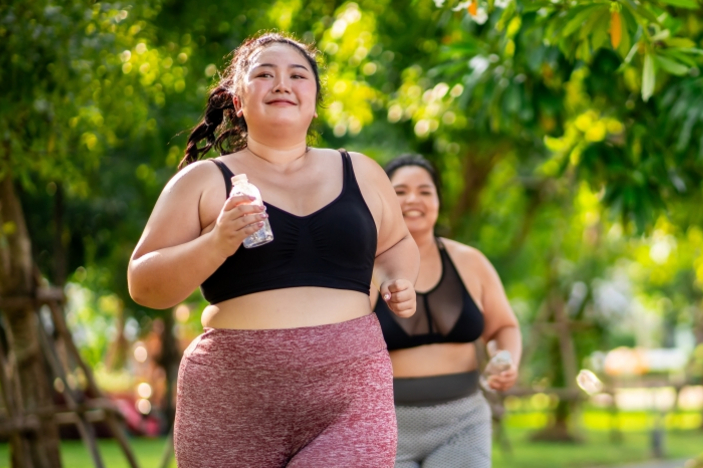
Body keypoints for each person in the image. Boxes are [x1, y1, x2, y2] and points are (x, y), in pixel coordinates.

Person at [127, 33, 418, 468]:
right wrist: (216, 243)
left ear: (315, 100)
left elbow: (396, 244)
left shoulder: (361, 171)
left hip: (349, 397)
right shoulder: (202, 181)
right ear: (238, 101)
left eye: (297, 75)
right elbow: (144, 284)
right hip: (230, 402)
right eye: (264, 74)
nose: (282, 83)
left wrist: (398, 279)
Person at [372, 154, 521, 468]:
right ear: (383, 200)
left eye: (425, 191)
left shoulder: (471, 261)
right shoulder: (363, 267)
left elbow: (503, 327)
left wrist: (506, 360)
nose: (414, 199)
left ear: (438, 200)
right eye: (400, 191)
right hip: (385, 426)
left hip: (463, 423)